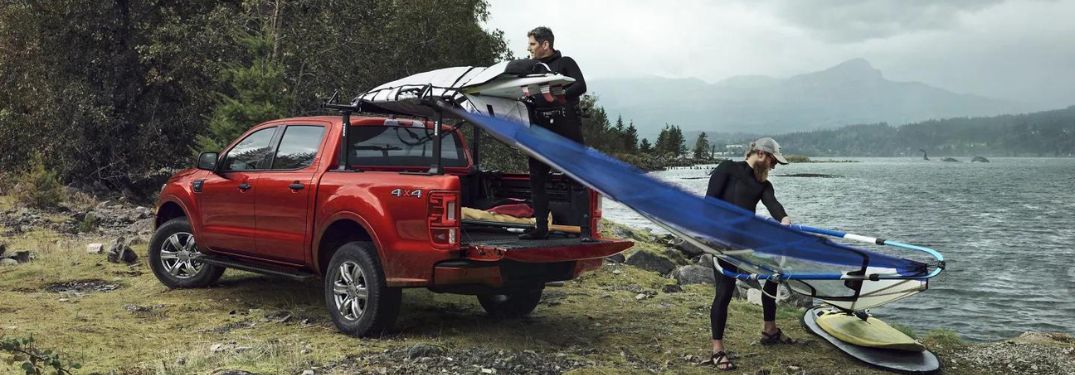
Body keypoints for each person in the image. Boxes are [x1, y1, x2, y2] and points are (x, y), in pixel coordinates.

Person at [704, 137, 794, 371]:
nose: (774, 167)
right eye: (773, 161)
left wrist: (784, 220)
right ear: (762, 154)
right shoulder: (727, 169)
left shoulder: (763, 184)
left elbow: (773, 205)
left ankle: (770, 329)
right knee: (724, 292)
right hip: (723, 242)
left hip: (747, 242)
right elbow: (709, 202)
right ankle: (717, 349)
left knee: (774, 273)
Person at [518, 26, 592, 242]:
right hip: (539, 129)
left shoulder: (565, 63)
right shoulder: (531, 68)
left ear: (545, 44)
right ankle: (541, 229)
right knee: (537, 179)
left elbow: (580, 86)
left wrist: (556, 95)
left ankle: (585, 231)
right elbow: (524, 91)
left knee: (576, 178)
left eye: (532, 44)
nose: (529, 48)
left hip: (565, 128)